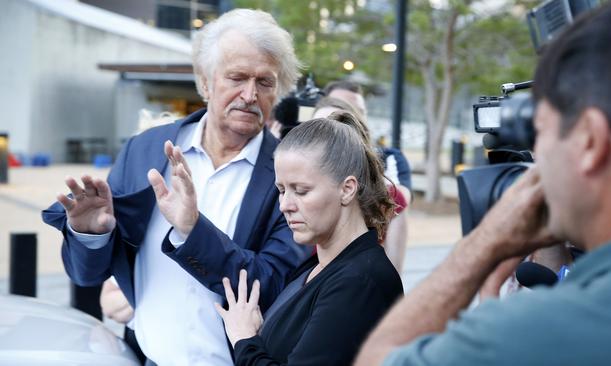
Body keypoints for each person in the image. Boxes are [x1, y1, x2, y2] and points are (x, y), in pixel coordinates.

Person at [356, 1, 611, 364]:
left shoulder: (543, 330)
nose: (536, 160)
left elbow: (377, 358)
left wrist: (484, 244)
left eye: (539, 132)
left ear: (589, 140)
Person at [42, 9, 311, 365]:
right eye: (237, 77)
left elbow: (270, 286)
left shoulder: (291, 174)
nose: (249, 94)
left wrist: (192, 230)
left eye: (265, 82)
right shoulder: (145, 150)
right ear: (204, 81)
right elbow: (85, 274)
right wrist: (91, 235)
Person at [212, 112, 404, 365]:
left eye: (301, 191)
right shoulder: (321, 265)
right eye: (281, 190)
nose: (285, 205)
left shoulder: (359, 282)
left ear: (347, 189)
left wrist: (244, 339)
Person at [318, 85, 413, 272]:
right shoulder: (287, 191)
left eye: (359, 111)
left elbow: (399, 200)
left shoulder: (389, 172)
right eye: (318, 128)